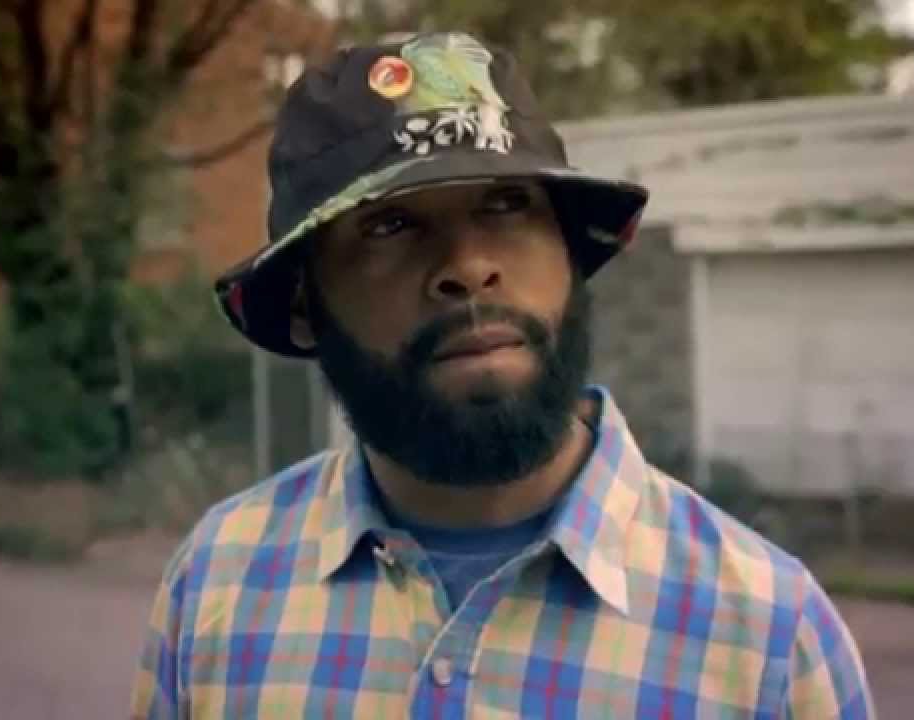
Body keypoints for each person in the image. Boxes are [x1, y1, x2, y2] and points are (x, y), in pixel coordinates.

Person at [130, 31, 874, 719]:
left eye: (509, 204)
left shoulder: (771, 641)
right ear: (303, 303)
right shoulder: (216, 585)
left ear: (571, 254)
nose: (467, 267)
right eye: (390, 225)